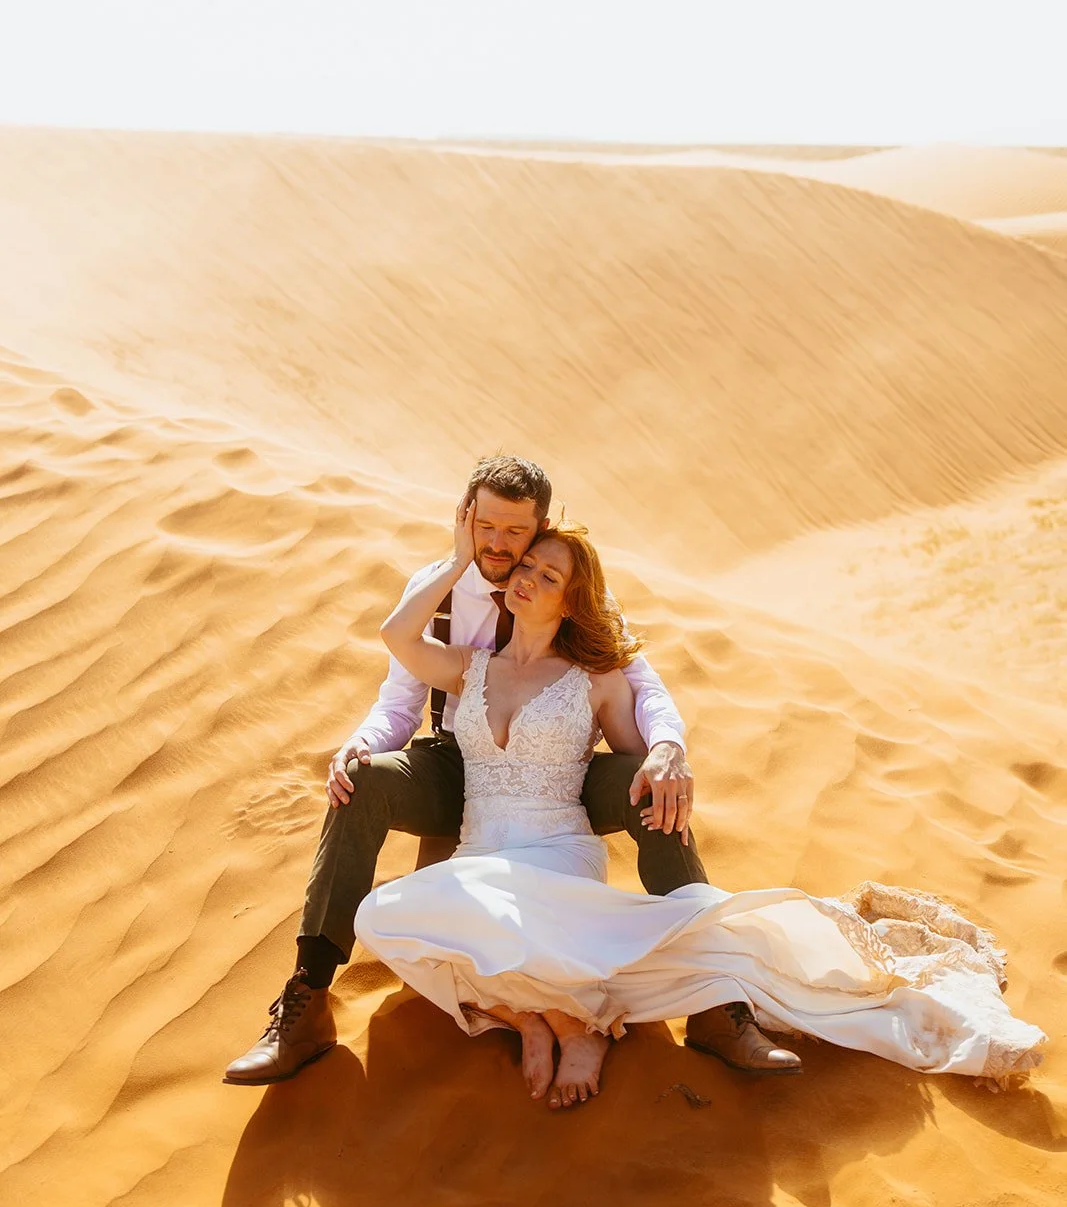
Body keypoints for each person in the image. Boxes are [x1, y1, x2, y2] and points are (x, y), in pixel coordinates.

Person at [350, 504, 1046, 1110]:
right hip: (479, 855)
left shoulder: (595, 681)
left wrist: (664, 754)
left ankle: (566, 1021)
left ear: (571, 602)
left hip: (550, 852)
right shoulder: (470, 667)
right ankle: (552, 1022)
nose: (526, 576)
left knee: (490, 930)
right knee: (382, 916)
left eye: (548, 575)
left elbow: (632, 762)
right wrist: (461, 555)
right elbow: (395, 636)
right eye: (526, 565)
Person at [224, 456, 799, 1085]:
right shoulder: (436, 588)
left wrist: (668, 748)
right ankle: (307, 1002)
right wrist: (359, 743)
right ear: (465, 515)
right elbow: (399, 700)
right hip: (458, 761)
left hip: (563, 773)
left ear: (541, 527)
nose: (499, 545)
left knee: (649, 790)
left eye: (515, 533)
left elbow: (640, 683)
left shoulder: (577, 589)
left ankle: (716, 1006)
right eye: (485, 526)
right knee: (360, 783)